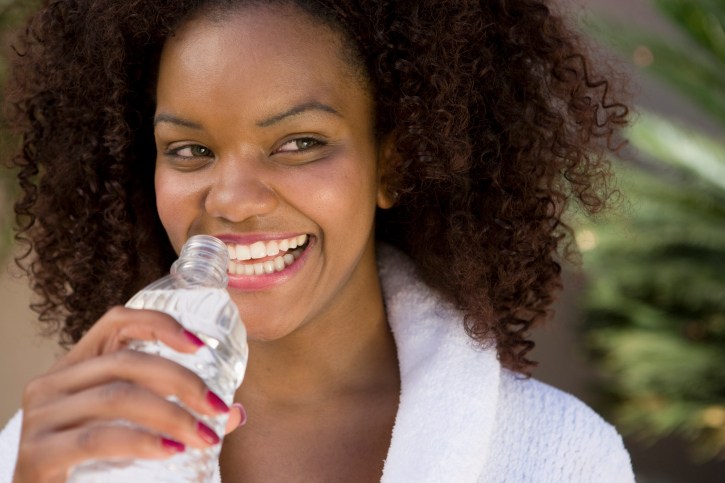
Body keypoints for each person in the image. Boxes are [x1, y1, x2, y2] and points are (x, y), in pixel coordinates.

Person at [0, 0, 635, 481]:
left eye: (300, 143)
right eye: (190, 150)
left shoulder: (562, 456)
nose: (233, 200)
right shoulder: (60, 446)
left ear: (393, 164)